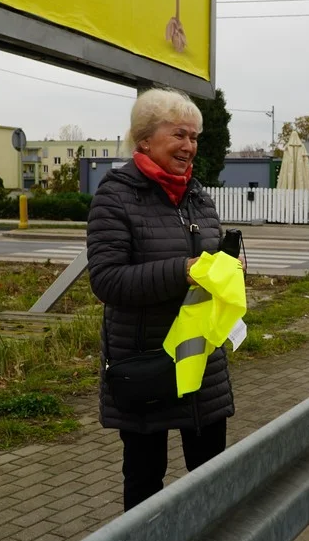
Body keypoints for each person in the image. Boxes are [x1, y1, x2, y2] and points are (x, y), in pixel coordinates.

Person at [86, 88, 237, 514]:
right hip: (146, 364)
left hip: (202, 365)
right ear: (145, 140)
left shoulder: (198, 198)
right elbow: (108, 281)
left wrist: (229, 265)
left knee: (214, 484)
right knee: (144, 485)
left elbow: (208, 259)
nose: (189, 147)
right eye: (179, 135)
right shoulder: (115, 198)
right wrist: (184, 270)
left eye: (194, 137)